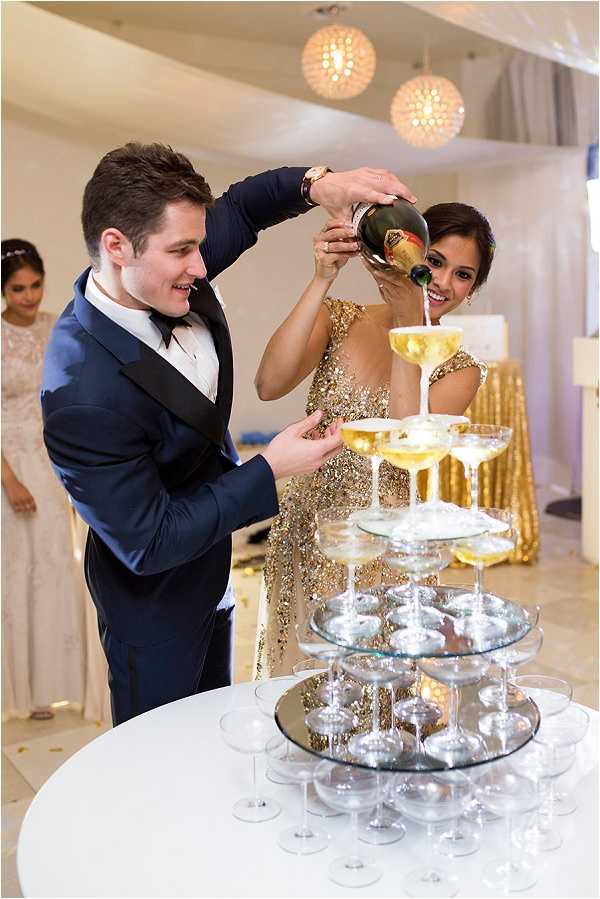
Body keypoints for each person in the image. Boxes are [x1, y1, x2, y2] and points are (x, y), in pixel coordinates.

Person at [40, 142, 416, 725]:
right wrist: (269, 469)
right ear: (116, 246)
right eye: (183, 251)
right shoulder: (79, 391)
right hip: (155, 605)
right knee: (164, 752)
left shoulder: (164, 265)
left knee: (212, 732)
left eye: (198, 244)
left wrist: (320, 184)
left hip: (213, 573)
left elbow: (243, 207)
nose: (200, 266)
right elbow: (149, 541)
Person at [253, 202, 495, 677]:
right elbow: (268, 384)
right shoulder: (341, 318)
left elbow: (406, 445)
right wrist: (322, 278)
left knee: (378, 697)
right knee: (303, 689)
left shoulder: (461, 369)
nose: (443, 282)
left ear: (472, 290)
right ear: (407, 249)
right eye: (436, 261)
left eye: (464, 275)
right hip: (310, 531)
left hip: (390, 549)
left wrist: (408, 325)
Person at [2, 239, 85, 720]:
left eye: (36, 285)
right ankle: (15, 689)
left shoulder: (58, 326)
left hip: (53, 460)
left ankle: (50, 686)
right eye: (18, 289)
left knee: (55, 568)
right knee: (16, 571)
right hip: (9, 464)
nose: (30, 297)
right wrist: (9, 480)